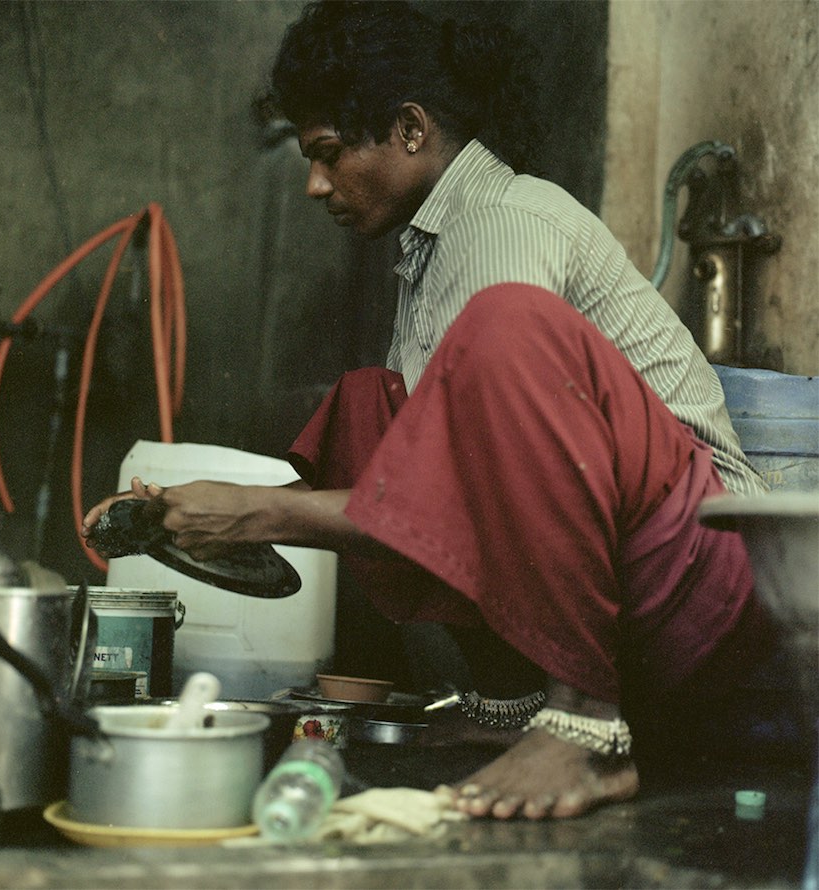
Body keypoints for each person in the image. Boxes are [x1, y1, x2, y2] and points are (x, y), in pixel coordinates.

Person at [84, 1, 780, 820]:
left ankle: (583, 721)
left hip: (703, 564)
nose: (316, 185)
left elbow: (478, 479)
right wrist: (245, 513)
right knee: (374, 411)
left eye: (329, 154)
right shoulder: (430, 252)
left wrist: (256, 513)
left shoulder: (501, 224)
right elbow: (438, 485)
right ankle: (513, 700)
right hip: (632, 576)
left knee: (502, 331)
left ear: (411, 129)